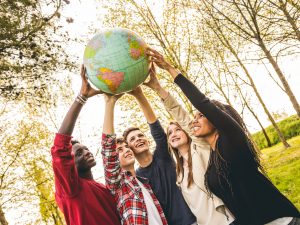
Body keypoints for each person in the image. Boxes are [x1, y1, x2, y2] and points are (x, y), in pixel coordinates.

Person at [146, 47, 300, 225]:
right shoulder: (211, 157)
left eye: (201, 115)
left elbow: (202, 102)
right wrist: (157, 88)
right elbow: (181, 116)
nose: (194, 121)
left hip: (281, 221)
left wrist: (169, 68)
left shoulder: (233, 141)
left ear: (216, 119)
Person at [144, 64, 235, 225]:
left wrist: (158, 88)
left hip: (228, 221)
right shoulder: (178, 171)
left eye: (177, 129)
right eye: (170, 133)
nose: (173, 134)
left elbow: (181, 115)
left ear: (187, 132)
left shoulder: (201, 148)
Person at [51, 65, 120, 225]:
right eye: (79, 153)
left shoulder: (104, 189)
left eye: (86, 149)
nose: (87, 152)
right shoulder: (70, 189)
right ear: (70, 164)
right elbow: (60, 148)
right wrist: (82, 97)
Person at [123, 87, 197, 225]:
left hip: (196, 219)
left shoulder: (162, 155)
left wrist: (139, 95)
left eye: (140, 135)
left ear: (147, 140)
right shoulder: (138, 179)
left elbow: (156, 128)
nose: (138, 139)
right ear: (129, 149)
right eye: (132, 139)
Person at [101, 92, 168, 225]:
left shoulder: (144, 183)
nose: (126, 150)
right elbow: (108, 147)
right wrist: (110, 103)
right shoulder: (118, 184)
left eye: (127, 147)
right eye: (119, 150)